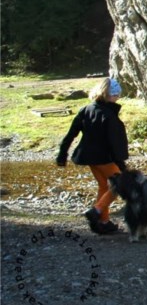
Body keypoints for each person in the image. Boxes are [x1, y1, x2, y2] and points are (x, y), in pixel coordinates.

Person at [57, 77, 129, 235]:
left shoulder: (86, 109)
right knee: (120, 185)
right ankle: (96, 211)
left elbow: (71, 134)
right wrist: (121, 163)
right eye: (116, 95)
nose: (117, 98)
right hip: (104, 158)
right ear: (109, 95)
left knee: (104, 186)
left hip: (88, 156)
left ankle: (103, 223)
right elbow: (115, 143)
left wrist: (63, 153)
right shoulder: (109, 115)